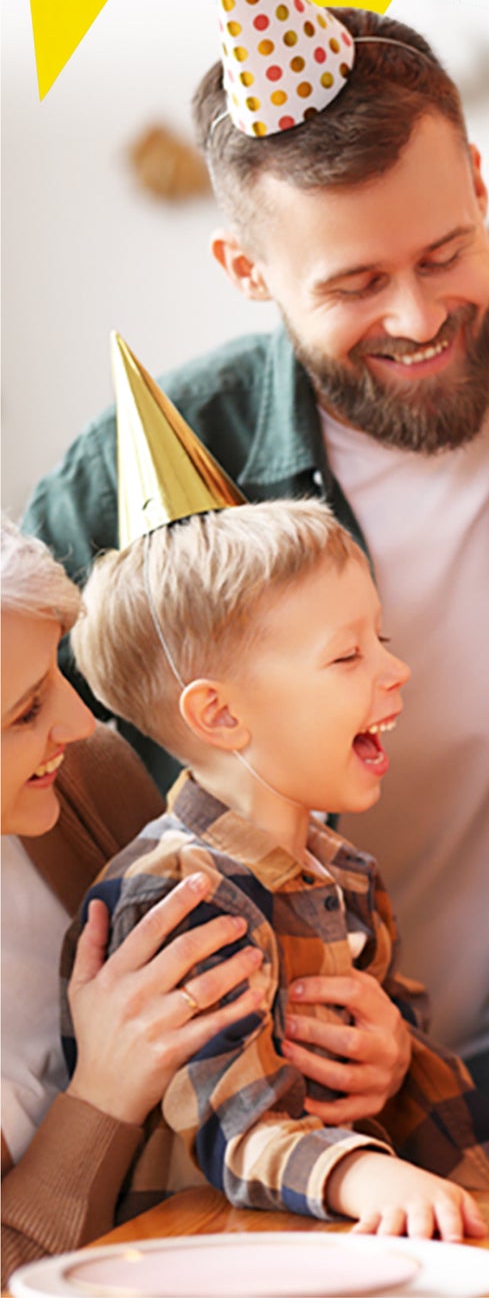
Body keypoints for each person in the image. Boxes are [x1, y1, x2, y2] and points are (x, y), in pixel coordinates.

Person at [23, 0, 489, 1128]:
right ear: (246, 267)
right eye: (353, 285)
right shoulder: (139, 470)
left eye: (445, 253)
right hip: (271, 1087)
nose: (416, 314)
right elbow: (30, 742)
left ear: (481, 184)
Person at [66, 497, 489, 1235]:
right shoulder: (177, 896)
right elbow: (234, 1122)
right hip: (204, 1265)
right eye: (347, 654)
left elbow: (416, 1092)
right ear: (220, 715)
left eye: (381, 636)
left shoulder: (348, 875)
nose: (396, 667)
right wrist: (360, 1172)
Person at [1, 519, 262, 1284]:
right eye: (24, 711)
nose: (78, 723)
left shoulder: (86, 778)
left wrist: (372, 1052)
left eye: (58, 674)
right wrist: (103, 1097)